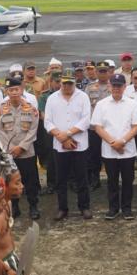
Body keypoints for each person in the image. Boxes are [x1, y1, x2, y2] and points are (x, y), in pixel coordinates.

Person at [91, 74, 137, 220]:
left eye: (119, 85)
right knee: (111, 181)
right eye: (114, 85)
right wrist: (114, 143)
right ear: (109, 86)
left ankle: (127, 209)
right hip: (109, 150)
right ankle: (113, 209)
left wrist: (122, 142)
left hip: (127, 150)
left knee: (128, 181)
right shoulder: (101, 104)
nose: (116, 88)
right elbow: (98, 127)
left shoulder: (133, 104)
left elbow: (135, 127)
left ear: (125, 87)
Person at [44, 69, 93, 220]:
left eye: (70, 84)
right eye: (64, 83)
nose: (67, 86)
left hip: (80, 144)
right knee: (61, 179)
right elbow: (47, 122)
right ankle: (62, 208)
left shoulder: (83, 96)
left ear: (74, 83)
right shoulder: (52, 98)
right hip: (60, 144)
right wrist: (62, 137)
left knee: (81, 177)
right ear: (60, 83)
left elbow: (86, 120)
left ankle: (84, 207)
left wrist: (68, 133)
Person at [0, 75, 40, 220]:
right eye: (11, 90)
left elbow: (33, 129)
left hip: (27, 152)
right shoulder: (1, 109)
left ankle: (33, 206)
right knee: (10, 182)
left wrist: (21, 147)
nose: (14, 92)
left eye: (16, 89)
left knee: (30, 181)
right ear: (6, 92)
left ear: (21, 90)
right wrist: (10, 148)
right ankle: (14, 207)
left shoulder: (31, 109)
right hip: (8, 153)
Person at [85, 61, 113, 190]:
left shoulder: (114, 87)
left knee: (110, 155)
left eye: (105, 71)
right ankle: (94, 180)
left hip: (109, 128)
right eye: (100, 71)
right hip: (94, 128)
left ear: (109, 72)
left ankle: (111, 179)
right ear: (96, 72)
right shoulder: (89, 88)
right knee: (93, 155)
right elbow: (86, 108)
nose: (103, 73)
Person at [37, 71, 62, 196]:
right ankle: (52, 184)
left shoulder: (68, 95)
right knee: (51, 158)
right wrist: (55, 128)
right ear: (51, 82)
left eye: (61, 82)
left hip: (66, 131)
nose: (59, 84)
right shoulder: (44, 96)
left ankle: (69, 182)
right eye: (57, 82)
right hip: (51, 132)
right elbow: (42, 115)